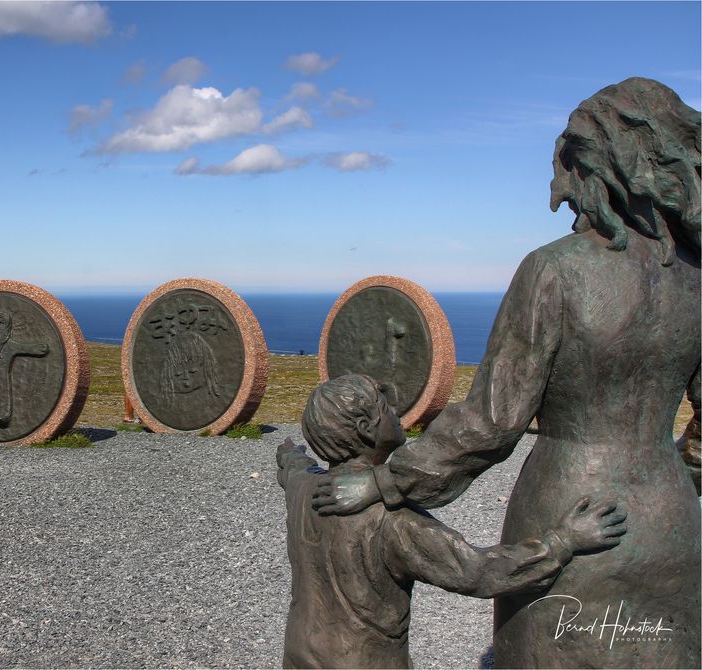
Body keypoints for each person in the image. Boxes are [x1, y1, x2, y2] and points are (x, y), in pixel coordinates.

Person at [311, 78, 701, 668]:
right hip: (668, 519)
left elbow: (494, 421)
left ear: (597, 163)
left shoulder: (551, 271)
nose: (554, 193)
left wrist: (387, 482)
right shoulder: (697, 278)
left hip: (570, 509)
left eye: (562, 168)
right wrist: (678, 474)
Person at [279, 374, 627, 669]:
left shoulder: (304, 491)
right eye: (386, 409)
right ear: (366, 429)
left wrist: (290, 455)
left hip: (299, 655)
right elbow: (477, 572)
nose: (397, 411)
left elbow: (294, 470)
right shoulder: (396, 522)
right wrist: (563, 541)